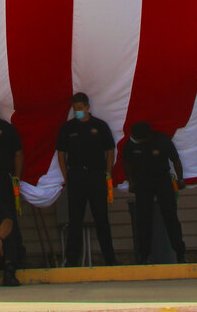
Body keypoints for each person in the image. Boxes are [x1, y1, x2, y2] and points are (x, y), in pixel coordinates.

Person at [56, 92, 117, 266]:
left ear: (87, 107)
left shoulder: (99, 126)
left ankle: (110, 259)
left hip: (96, 175)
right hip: (76, 175)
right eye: (75, 109)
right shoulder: (68, 128)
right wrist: (66, 176)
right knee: (75, 219)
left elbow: (110, 150)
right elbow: (61, 153)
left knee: (101, 218)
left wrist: (108, 172)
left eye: (80, 108)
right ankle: (72, 260)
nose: (78, 111)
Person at [123, 121, 187, 264]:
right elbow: (127, 161)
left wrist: (180, 179)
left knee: (170, 216)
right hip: (143, 181)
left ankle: (180, 253)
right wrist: (131, 181)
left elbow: (175, 160)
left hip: (162, 179)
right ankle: (145, 256)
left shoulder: (162, 141)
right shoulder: (131, 143)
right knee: (143, 218)